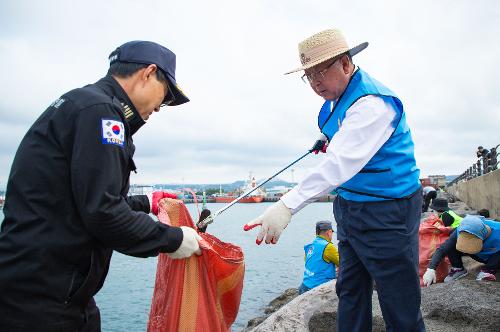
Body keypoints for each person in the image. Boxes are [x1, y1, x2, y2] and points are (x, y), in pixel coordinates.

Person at [0, 41, 202, 331]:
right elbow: (103, 212)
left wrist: (147, 202)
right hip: (42, 302)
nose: (160, 108)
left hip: (53, 293)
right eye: (166, 96)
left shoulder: (83, 104)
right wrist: (174, 239)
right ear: (148, 73)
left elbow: (82, 199)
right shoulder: (103, 113)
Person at [244, 28, 425, 331]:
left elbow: (339, 164)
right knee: (350, 289)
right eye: (308, 76)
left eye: (320, 73)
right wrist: (327, 138)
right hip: (350, 206)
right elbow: (340, 134)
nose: (315, 83)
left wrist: (286, 205)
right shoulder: (336, 97)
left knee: (399, 299)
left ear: (344, 63)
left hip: (388, 209)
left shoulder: (372, 104)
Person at [423, 215, 500, 286]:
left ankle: (488, 271)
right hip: (477, 255)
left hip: (493, 257)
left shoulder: (497, 231)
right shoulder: (461, 230)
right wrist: (431, 268)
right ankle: (458, 268)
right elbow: (443, 249)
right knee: (451, 243)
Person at [298, 221, 340, 294]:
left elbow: (310, 262)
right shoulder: (328, 246)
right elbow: (343, 263)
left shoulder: (310, 245)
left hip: (304, 286)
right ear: (329, 232)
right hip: (317, 288)